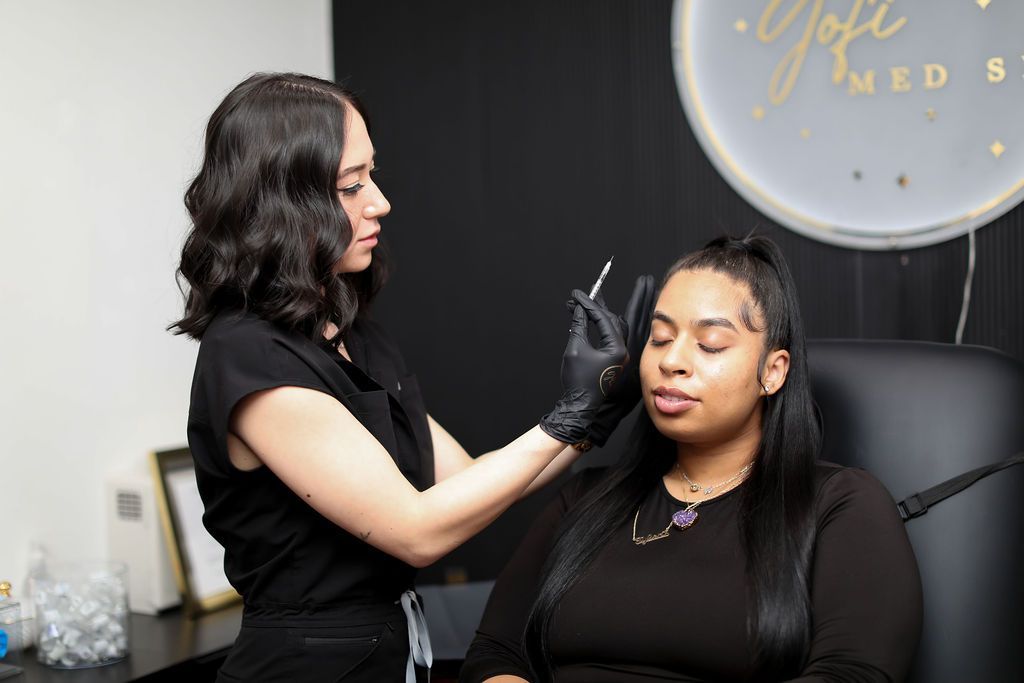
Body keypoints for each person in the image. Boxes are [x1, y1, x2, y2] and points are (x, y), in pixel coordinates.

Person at [170, 72, 653, 683]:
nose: (379, 202)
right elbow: (417, 530)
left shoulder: (353, 334)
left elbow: (468, 484)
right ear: (282, 203)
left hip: (389, 653)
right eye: (351, 186)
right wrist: (572, 415)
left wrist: (601, 408)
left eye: (371, 175)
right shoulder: (250, 356)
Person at [461, 235, 924, 683]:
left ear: (773, 370)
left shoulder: (839, 504)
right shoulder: (586, 499)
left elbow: (852, 672)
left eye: (710, 345)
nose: (672, 361)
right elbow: (495, 653)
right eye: (659, 339)